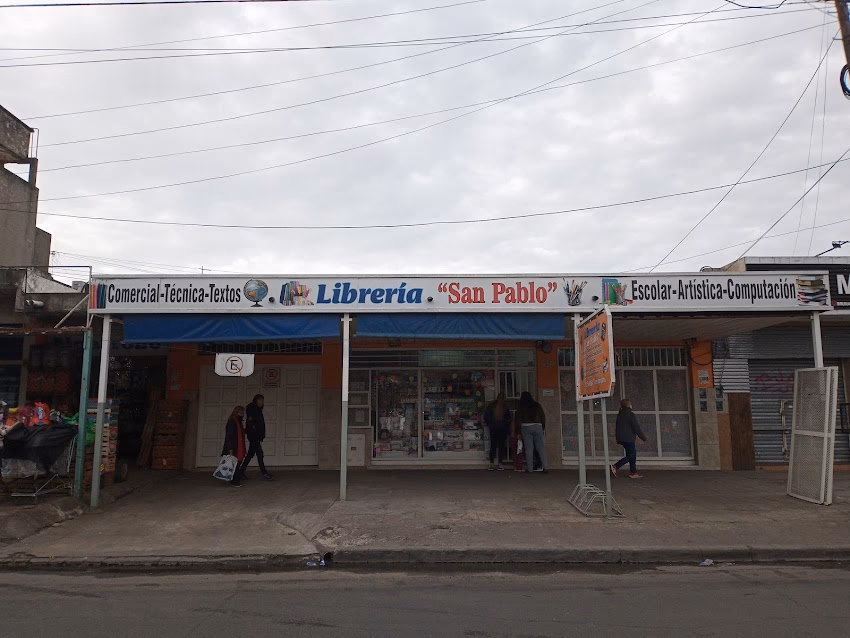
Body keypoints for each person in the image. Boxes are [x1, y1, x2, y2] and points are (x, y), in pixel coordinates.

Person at [611, 399, 647, 479]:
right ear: (628, 405)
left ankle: (633, 472)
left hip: (621, 437)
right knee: (632, 455)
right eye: (631, 404)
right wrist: (643, 437)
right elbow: (636, 427)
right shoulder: (630, 414)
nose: (631, 405)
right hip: (628, 438)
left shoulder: (620, 414)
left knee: (631, 454)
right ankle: (616, 466)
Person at [513, 391, 548, 474]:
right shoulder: (537, 405)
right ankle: (546, 467)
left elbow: (518, 420)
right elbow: (543, 417)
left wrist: (518, 432)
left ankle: (530, 469)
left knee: (529, 449)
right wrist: (542, 427)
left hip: (526, 427)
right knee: (541, 448)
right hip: (538, 426)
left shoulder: (521, 406)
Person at [241, 394, 273, 481]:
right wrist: (254, 432)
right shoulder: (252, 409)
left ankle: (240, 471)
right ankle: (264, 473)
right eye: (260, 400)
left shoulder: (258, 410)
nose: (262, 402)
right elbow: (251, 423)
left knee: (251, 454)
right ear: (256, 400)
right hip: (254, 436)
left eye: (262, 400)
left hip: (256, 436)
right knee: (259, 454)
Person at [483, 392, 511, 471]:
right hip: (502, 429)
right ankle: (500, 463)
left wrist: (491, 424)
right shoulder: (505, 407)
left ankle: (491, 463)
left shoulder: (491, 406)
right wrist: (505, 424)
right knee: (501, 446)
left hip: (494, 428)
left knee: (493, 445)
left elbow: (486, 416)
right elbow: (509, 418)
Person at [222, 406, 246, 487]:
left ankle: (233, 479)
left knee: (237, 463)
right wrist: (230, 449)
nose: (243, 414)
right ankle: (234, 480)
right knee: (235, 463)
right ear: (237, 412)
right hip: (234, 447)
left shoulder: (238, 421)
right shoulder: (232, 421)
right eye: (241, 412)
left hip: (238, 446)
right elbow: (229, 436)